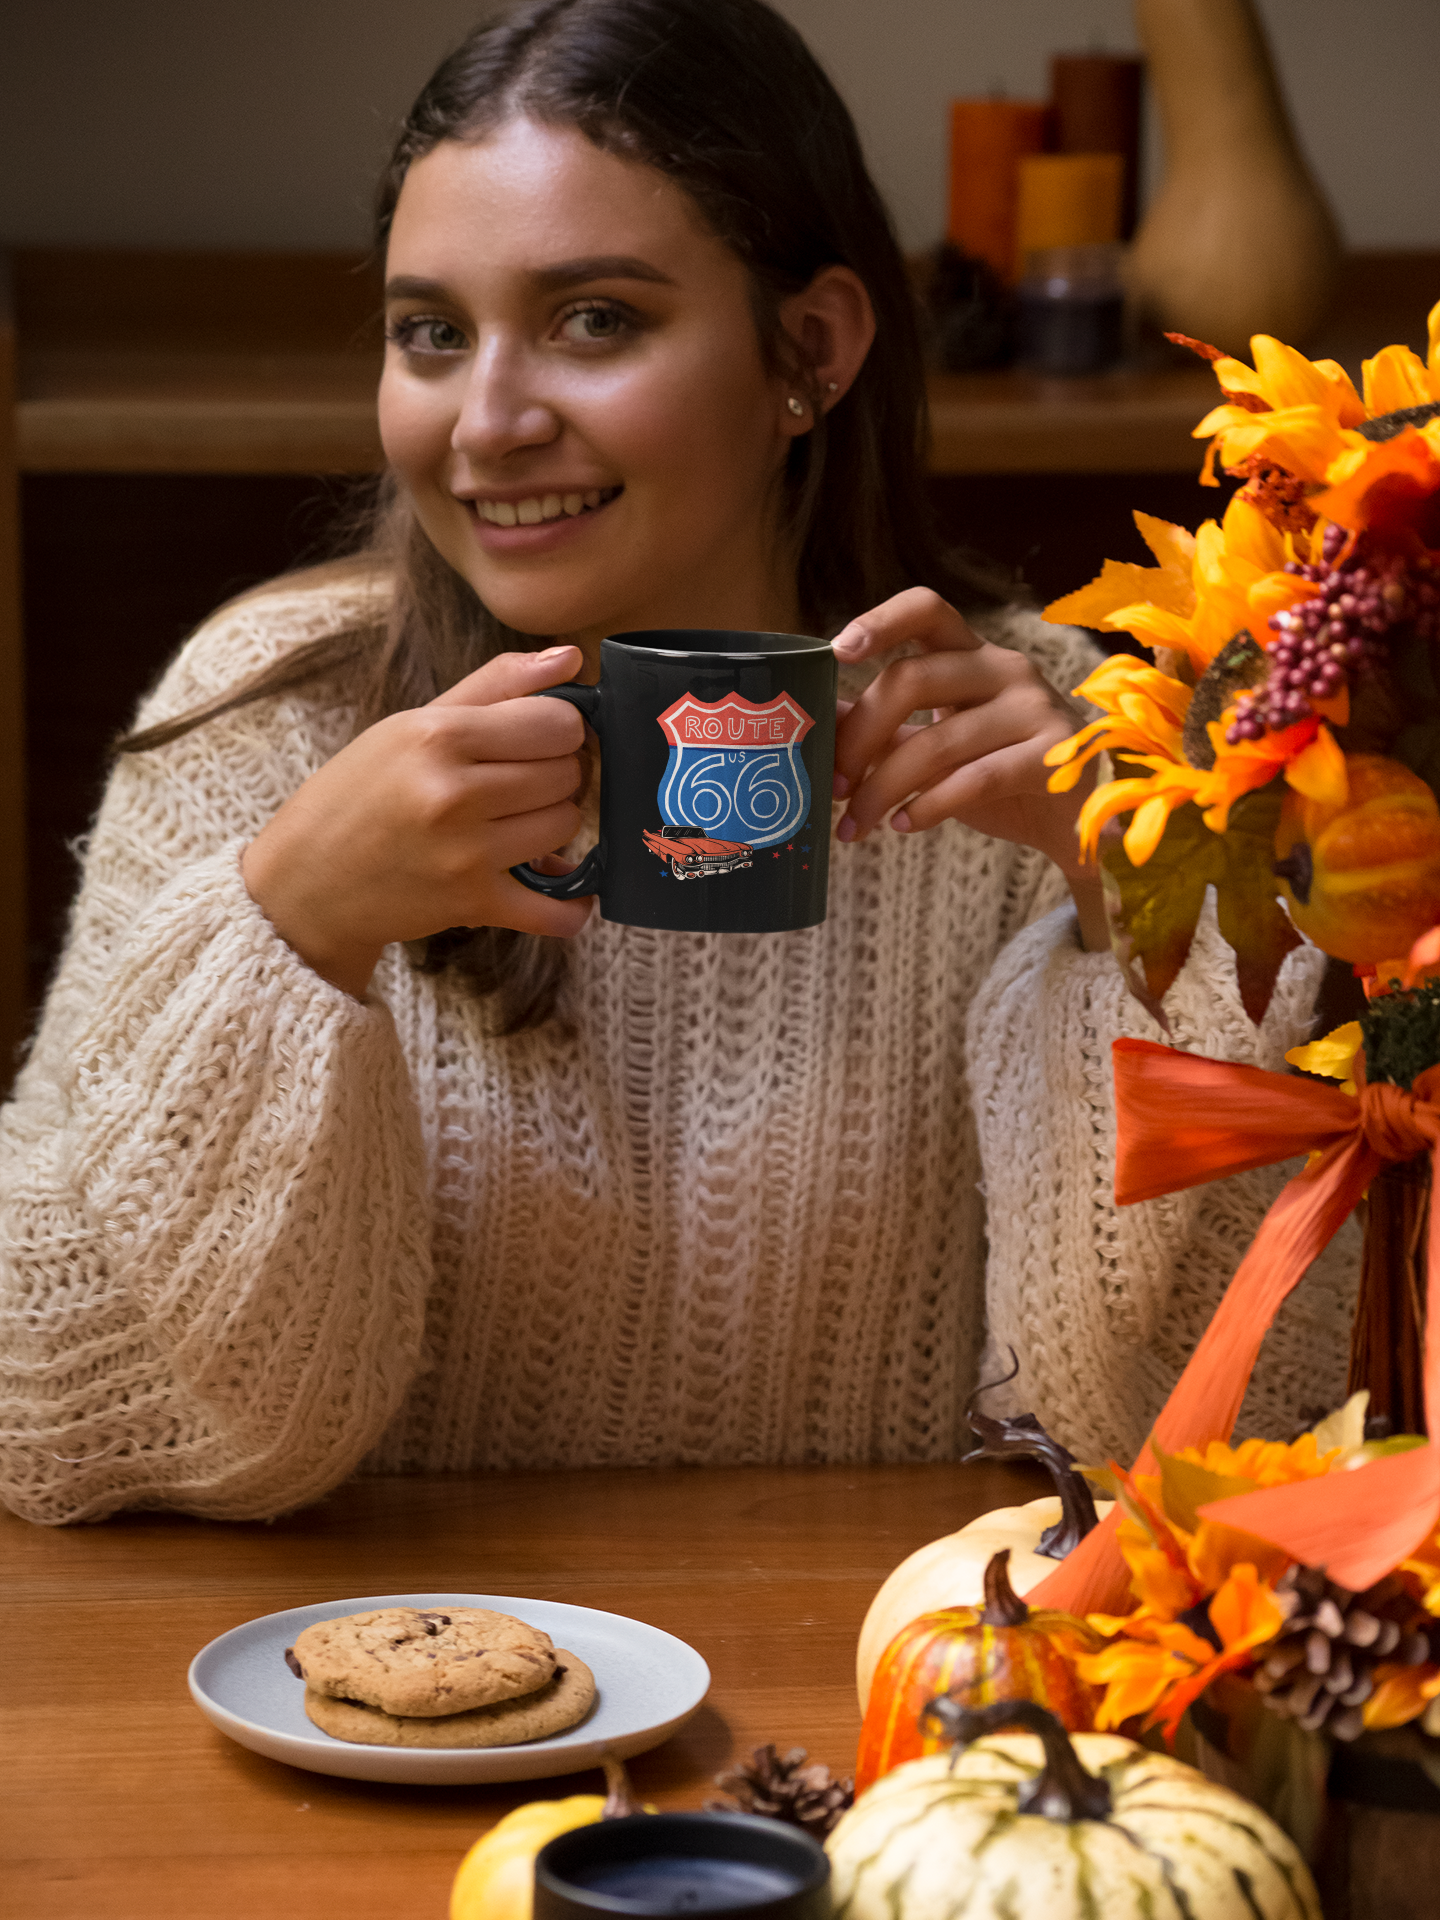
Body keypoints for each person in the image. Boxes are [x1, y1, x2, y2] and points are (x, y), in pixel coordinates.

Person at [0, 0, 1356, 1526]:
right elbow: (58, 1419)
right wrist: (292, 925)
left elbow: (1205, 1450)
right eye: (432, 332)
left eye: (595, 320)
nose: (489, 423)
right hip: (360, 1709)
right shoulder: (263, 726)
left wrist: (1138, 909)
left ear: (812, 348)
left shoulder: (1067, 745)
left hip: (870, 1710)